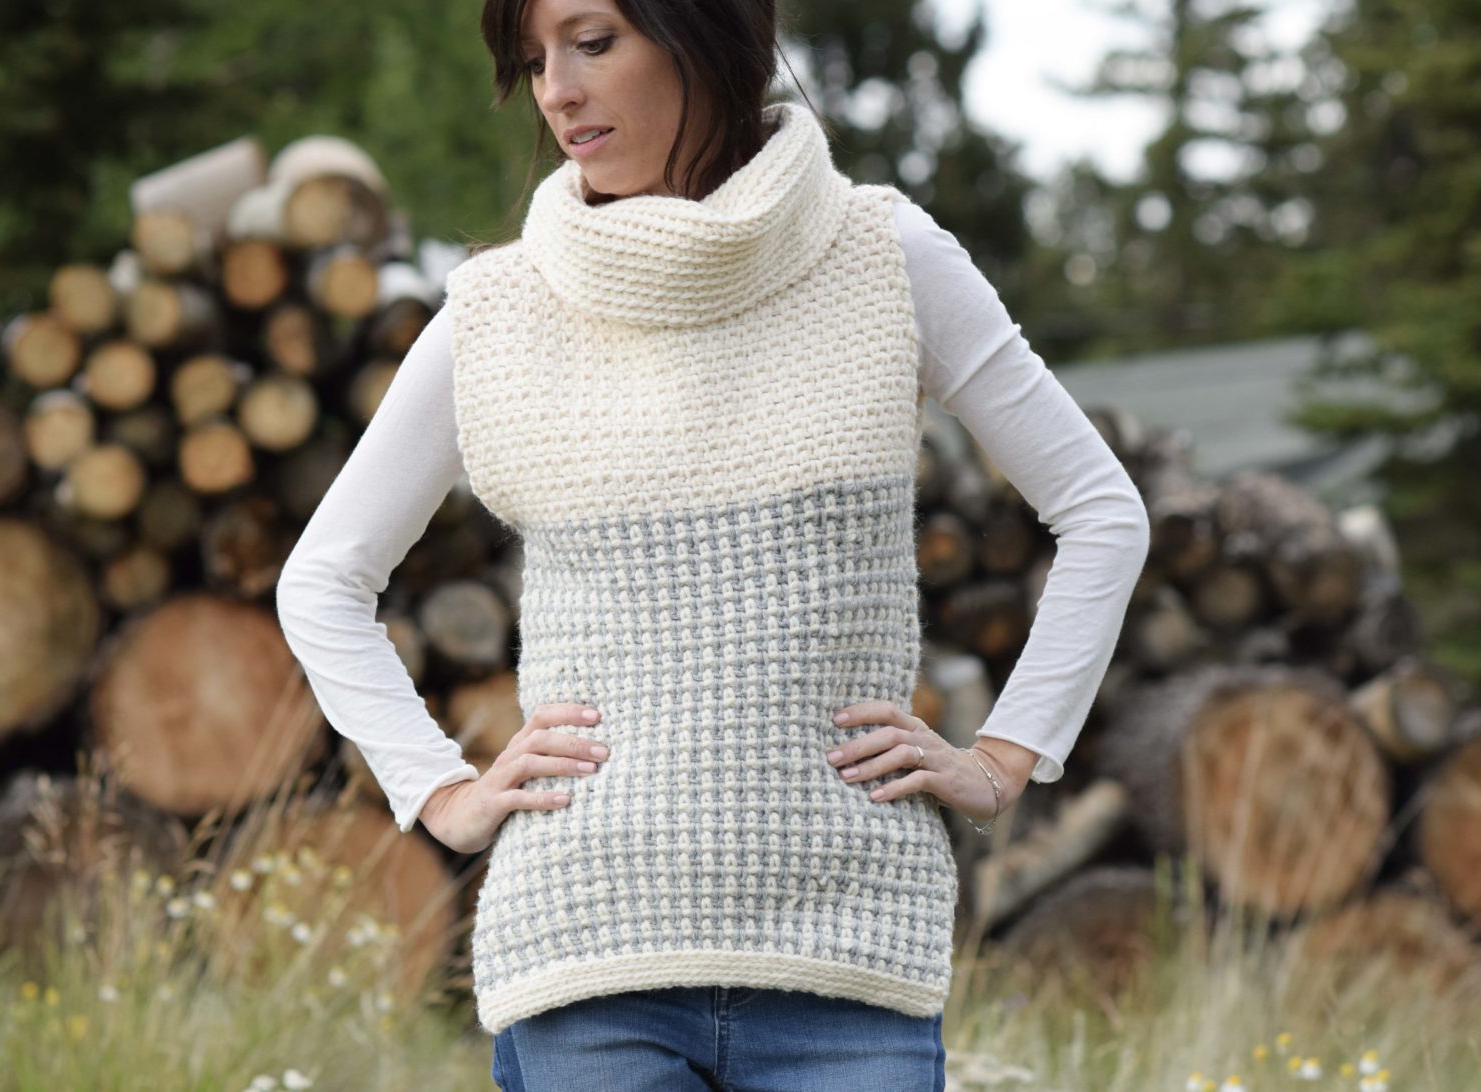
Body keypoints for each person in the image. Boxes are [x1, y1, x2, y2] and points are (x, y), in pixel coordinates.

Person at [274, 0, 1152, 1087]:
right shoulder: (497, 310)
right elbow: (323, 580)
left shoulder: (881, 254)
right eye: (533, 60)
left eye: (592, 43)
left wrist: (1005, 757)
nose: (555, 89)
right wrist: (438, 792)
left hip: (850, 970)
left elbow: (1102, 513)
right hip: (587, 969)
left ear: (705, 36)